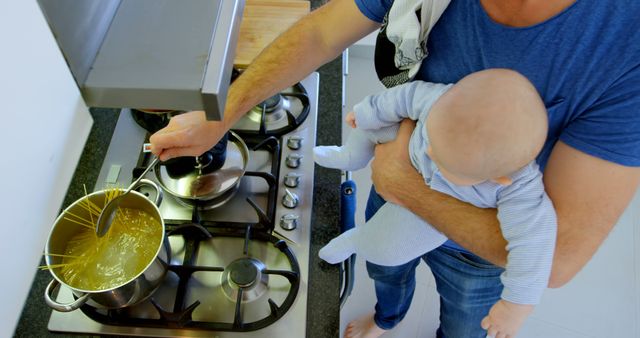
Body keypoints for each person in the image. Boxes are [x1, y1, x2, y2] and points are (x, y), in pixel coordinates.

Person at [149, 0, 640, 337]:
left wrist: (402, 183)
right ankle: (389, 317)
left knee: (470, 321)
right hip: (402, 170)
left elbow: (554, 260)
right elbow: (325, 29)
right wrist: (222, 113)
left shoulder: (624, 48)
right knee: (386, 265)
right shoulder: (434, 96)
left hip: (487, 244)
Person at [314, 68, 556, 337]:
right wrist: (366, 112)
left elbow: (533, 249)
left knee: (389, 252)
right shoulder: (442, 99)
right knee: (374, 124)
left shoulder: (520, 187)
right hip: (403, 149)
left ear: (498, 178)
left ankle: (355, 241)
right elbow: (404, 97)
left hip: (436, 220)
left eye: (444, 161)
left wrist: (515, 307)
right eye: (433, 140)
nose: (430, 153)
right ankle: (350, 155)